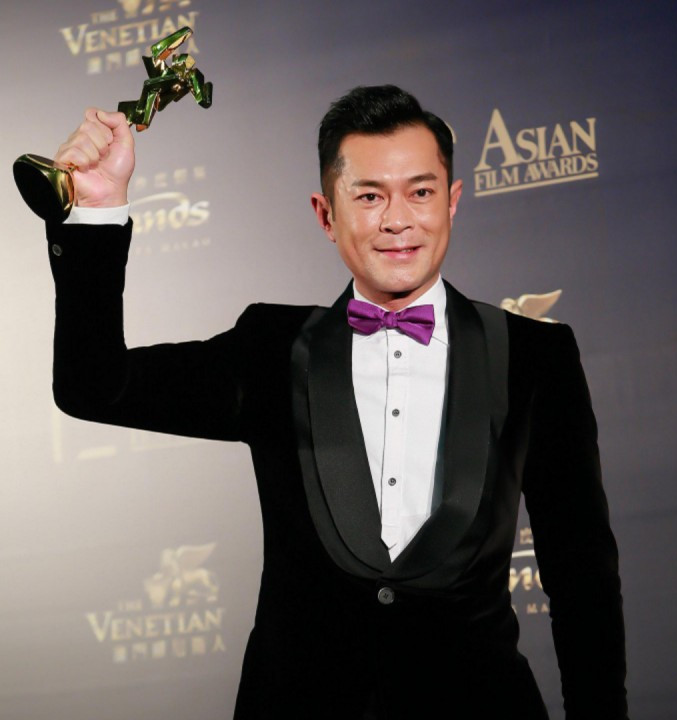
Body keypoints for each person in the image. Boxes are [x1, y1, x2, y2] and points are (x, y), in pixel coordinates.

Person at [46, 86, 628, 719]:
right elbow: (94, 385)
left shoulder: (535, 356)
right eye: (369, 196)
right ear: (326, 214)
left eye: (421, 192)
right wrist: (94, 212)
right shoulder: (270, 349)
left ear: (453, 201)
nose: (398, 219)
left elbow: (581, 577)